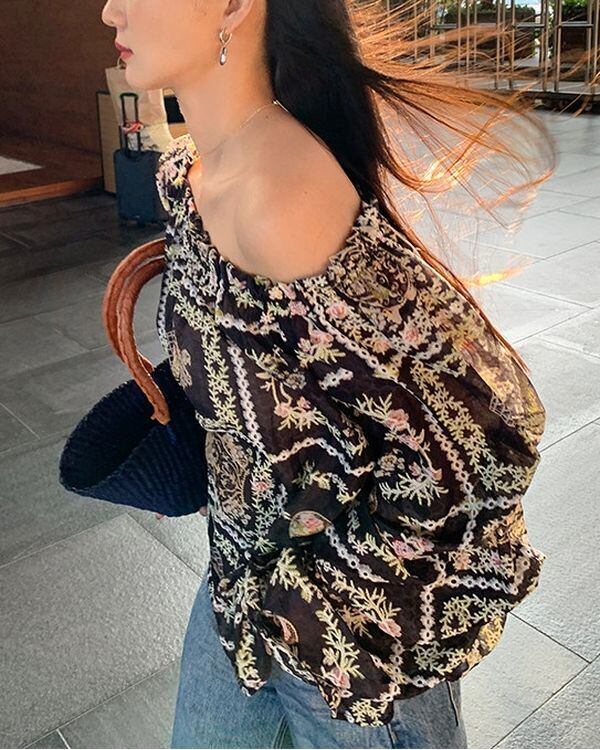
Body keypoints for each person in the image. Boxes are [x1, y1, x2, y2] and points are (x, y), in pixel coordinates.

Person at [101, 0, 555, 747]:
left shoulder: (283, 197)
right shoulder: (190, 174)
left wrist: (313, 604)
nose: (111, 9)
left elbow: (481, 443)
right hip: (237, 583)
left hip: (346, 640)